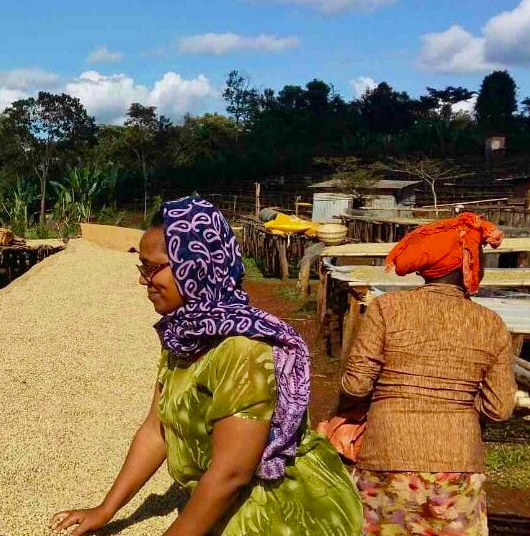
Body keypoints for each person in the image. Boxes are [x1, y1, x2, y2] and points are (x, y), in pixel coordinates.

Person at [51, 197, 362, 536]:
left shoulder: (242, 349)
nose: (144, 281)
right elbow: (157, 430)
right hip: (228, 502)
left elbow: (231, 475)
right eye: (141, 268)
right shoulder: (183, 337)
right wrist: (107, 509)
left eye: (152, 268)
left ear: (195, 266)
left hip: (280, 514)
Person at [340, 212, 516, 535]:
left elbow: (356, 384)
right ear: (466, 263)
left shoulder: (386, 309)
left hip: (385, 457)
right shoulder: (491, 324)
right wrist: (459, 407)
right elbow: (500, 408)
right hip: (457, 465)